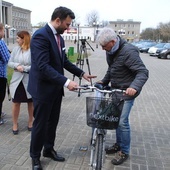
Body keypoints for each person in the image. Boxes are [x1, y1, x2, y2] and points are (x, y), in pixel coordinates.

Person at [27, 6, 96, 170]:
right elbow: (43, 66)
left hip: (55, 89)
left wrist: (81, 73)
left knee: (52, 123)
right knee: (41, 124)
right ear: (57, 20)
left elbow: (63, 61)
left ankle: (48, 150)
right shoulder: (40, 36)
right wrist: (66, 82)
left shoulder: (60, 38)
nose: (68, 28)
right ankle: (35, 157)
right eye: (66, 24)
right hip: (42, 90)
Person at [96, 27, 149, 165]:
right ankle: (118, 145)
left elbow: (142, 72)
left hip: (127, 92)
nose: (102, 49)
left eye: (104, 46)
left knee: (122, 122)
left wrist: (134, 87)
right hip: (116, 91)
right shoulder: (111, 51)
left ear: (113, 41)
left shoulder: (129, 52)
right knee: (116, 119)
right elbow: (112, 69)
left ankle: (124, 151)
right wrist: (104, 81)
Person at [8, 31, 33, 135]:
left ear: (24, 39)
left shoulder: (33, 50)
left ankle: (31, 121)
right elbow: (10, 62)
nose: (17, 40)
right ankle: (15, 123)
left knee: (30, 102)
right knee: (16, 102)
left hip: (29, 79)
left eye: (18, 38)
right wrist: (16, 66)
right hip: (17, 80)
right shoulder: (15, 49)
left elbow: (36, 65)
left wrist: (24, 68)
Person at [0, 23, 10, 125]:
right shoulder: (1, 43)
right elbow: (7, 58)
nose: (3, 33)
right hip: (0, 74)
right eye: (3, 31)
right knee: (0, 96)